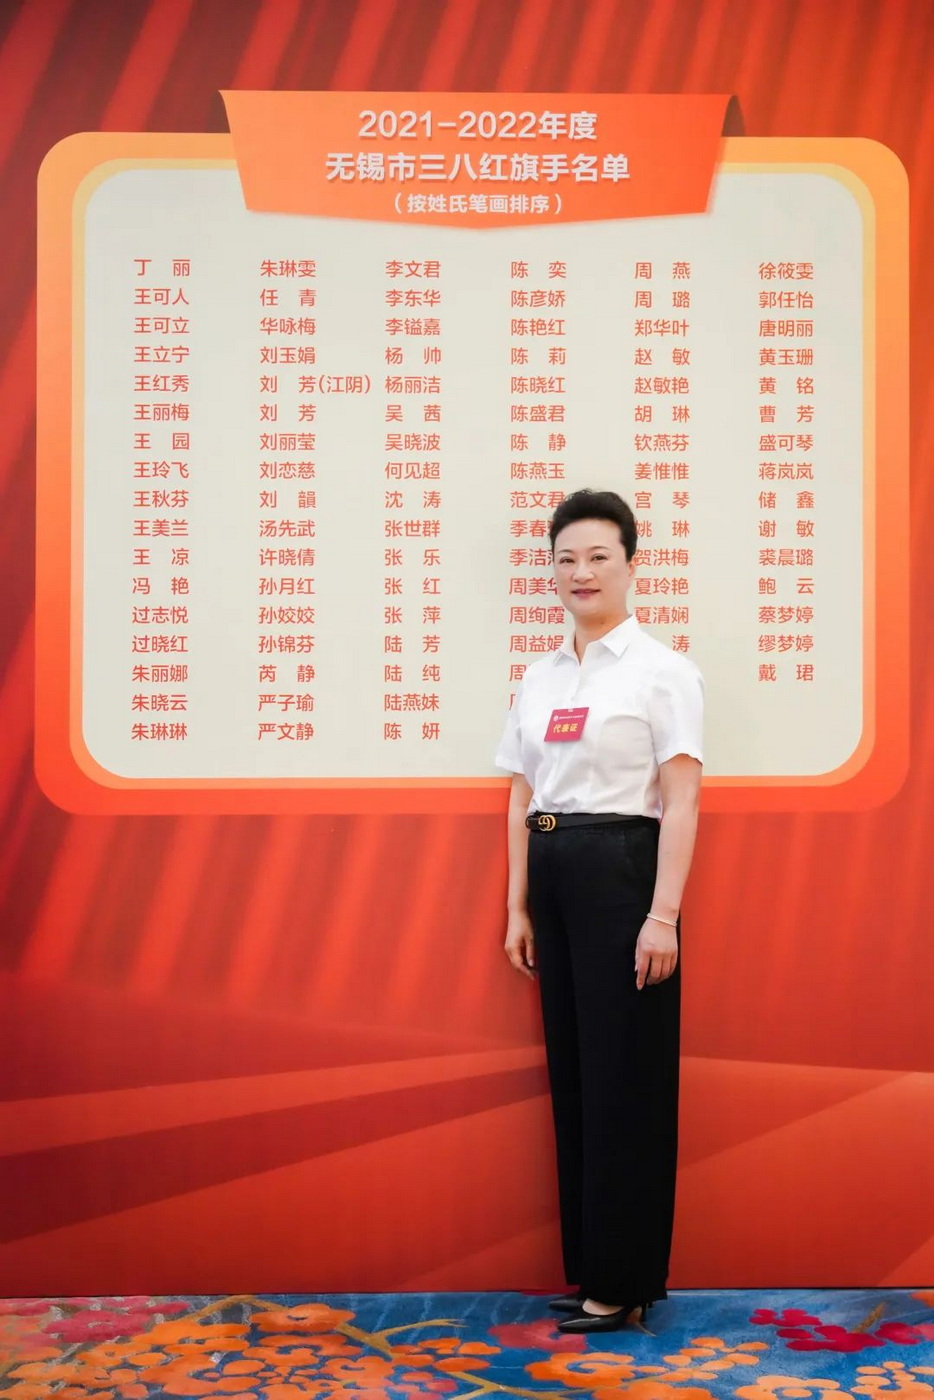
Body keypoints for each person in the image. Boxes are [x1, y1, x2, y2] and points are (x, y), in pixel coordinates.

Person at [494, 489, 703, 1334]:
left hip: (623, 871)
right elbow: (520, 794)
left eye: (597, 557)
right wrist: (517, 906)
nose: (580, 573)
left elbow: (682, 801)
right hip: (552, 867)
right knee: (578, 1078)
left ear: (629, 565)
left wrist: (664, 916)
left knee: (627, 1081)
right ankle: (591, 1271)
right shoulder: (541, 675)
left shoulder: (662, 670)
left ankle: (624, 1283)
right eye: (566, 559)